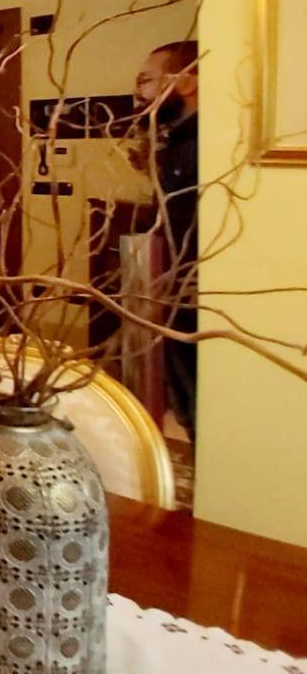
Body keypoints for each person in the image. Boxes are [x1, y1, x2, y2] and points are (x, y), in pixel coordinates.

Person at [133, 40, 199, 438]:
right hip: (175, 289)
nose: (139, 93)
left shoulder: (206, 145)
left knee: (199, 400)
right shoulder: (176, 142)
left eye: (146, 80)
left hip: (193, 292)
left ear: (187, 82)